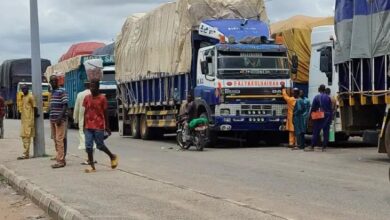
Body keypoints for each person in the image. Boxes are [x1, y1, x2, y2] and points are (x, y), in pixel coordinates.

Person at [83, 79, 118, 173]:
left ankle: (112, 156)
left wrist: (107, 126)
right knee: (88, 146)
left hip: (99, 125)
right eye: (90, 86)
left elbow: (105, 113)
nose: (91, 88)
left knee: (100, 145)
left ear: (98, 87)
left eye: (93, 86)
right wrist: (83, 125)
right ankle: (92, 165)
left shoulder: (102, 98)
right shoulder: (86, 98)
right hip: (88, 126)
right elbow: (85, 112)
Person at [73, 82, 96, 165]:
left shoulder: (80, 94)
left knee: (85, 139)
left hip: (83, 120)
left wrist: (75, 119)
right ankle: (92, 158)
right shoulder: (95, 93)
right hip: (94, 119)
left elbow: (77, 108)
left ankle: (88, 158)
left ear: (85, 86)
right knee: (92, 139)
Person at [49, 75, 68, 168]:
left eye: (54, 81)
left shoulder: (62, 91)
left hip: (59, 120)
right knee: (56, 140)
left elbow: (65, 105)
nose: (53, 82)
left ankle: (61, 161)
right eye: (51, 81)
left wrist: (60, 117)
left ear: (57, 81)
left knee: (59, 140)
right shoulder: (52, 92)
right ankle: (59, 157)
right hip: (52, 119)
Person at [306, 84, 332, 152]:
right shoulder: (328, 97)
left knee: (316, 131)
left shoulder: (316, 97)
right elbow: (330, 108)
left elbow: (313, 108)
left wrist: (310, 117)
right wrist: (330, 118)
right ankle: (324, 146)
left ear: (319, 89)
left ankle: (312, 146)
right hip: (327, 115)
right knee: (326, 131)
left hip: (319, 115)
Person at [17, 85, 39, 159]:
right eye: (22, 89)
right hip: (23, 120)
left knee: (27, 137)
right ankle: (26, 153)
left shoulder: (30, 97)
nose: (23, 90)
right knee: (23, 136)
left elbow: (35, 107)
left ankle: (25, 154)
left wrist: (36, 115)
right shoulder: (23, 97)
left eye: (25, 89)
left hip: (29, 120)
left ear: (28, 89)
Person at [281, 83, 297, 147]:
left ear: (293, 93)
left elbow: (285, 96)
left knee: (291, 131)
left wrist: (283, 88)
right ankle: (296, 143)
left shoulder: (290, 100)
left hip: (291, 117)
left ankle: (291, 143)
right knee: (297, 131)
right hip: (297, 117)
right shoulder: (300, 100)